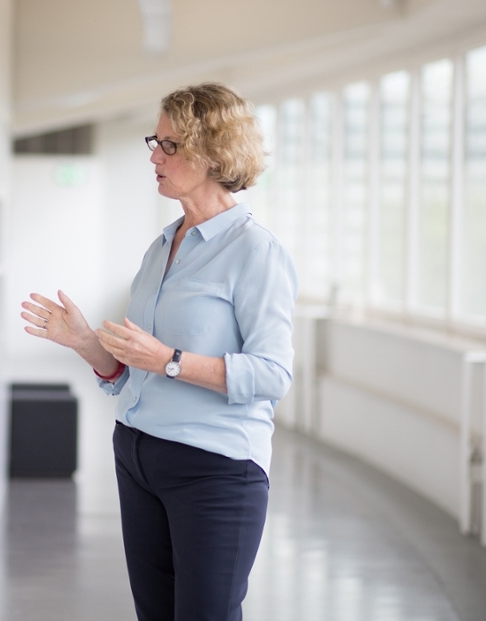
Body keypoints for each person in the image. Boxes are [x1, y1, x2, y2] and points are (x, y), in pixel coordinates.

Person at [20, 83, 297, 621]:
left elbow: (272, 375)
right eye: (156, 141)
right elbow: (130, 372)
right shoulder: (162, 245)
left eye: (169, 145)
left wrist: (171, 359)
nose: (154, 155)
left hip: (215, 470)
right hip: (138, 456)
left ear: (213, 153)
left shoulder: (256, 253)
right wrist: (84, 342)